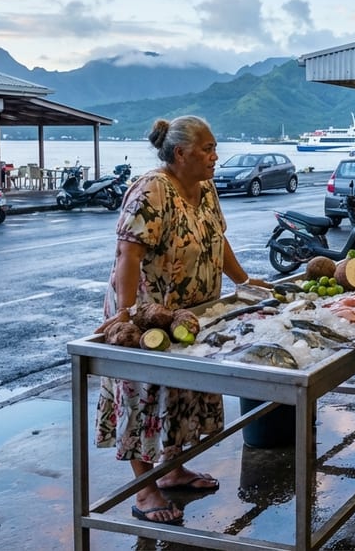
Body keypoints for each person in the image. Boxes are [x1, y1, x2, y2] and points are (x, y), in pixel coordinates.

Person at [95, 115, 271, 526]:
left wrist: (244, 281)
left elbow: (217, 239)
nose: (215, 156)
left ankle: (172, 471)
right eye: (207, 149)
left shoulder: (206, 188)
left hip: (192, 316)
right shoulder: (152, 190)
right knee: (146, 398)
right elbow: (128, 255)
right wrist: (125, 315)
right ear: (180, 153)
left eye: (214, 148)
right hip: (147, 316)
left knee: (178, 397)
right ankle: (145, 489)